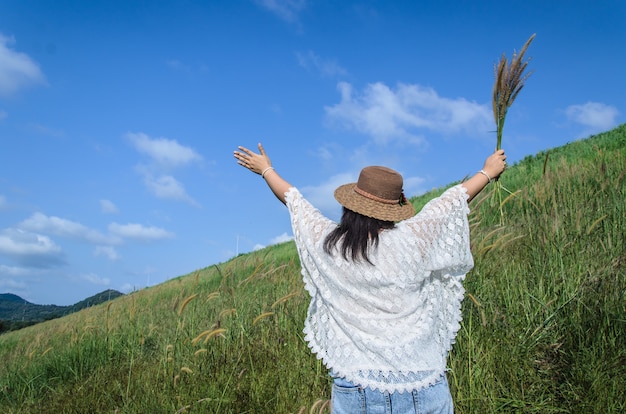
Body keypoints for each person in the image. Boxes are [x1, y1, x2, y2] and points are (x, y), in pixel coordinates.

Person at [234, 143, 507, 414]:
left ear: (351, 204)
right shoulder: (414, 240)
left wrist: (266, 169)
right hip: (423, 379)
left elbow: (294, 201)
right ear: (393, 208)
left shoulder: (331, 246)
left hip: (358, 383)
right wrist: (487, 171)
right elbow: (452, 201)